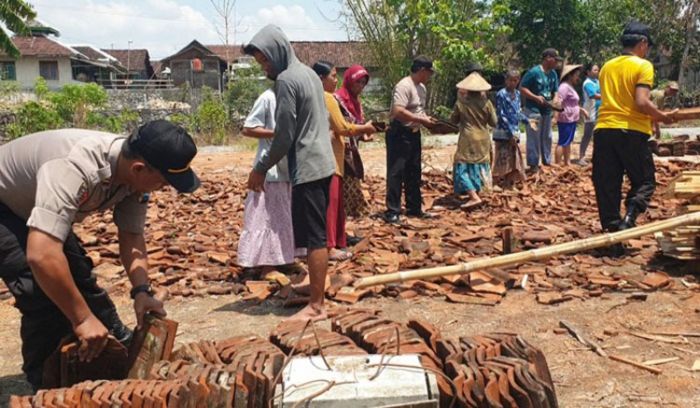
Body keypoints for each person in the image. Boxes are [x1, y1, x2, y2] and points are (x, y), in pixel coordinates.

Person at [0, 120, 200, 389]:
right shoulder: (73, 168)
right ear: (139, 168)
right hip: (4, 205)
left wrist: (141, 291)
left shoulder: (134, 178)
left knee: (80, 280)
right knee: (40, 294)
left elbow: (131, 237)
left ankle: (114, 350)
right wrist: (82, 319)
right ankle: (46, 390)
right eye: (164, 182)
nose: (164, 188)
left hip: (33, 204)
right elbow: (41, 255)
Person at [243, 25, 336, 321]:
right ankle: (316, 289)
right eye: (261, 63)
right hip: (323, 163)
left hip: (307, 166)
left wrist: (259, 169)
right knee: (315, 234)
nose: (265, 67)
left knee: (314, 238)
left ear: (278, 52)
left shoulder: (286, 80)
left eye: (265, 60)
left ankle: (317, 305)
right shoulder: (309, 74)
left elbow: (284, 137)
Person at [593, 20, 676, 256]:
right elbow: (641, 101)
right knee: (645, 181)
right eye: (647, 45)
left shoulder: (607, 66)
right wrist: (662, 117)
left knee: (607, 185)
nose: (647, 50)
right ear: (642, 43)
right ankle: (628, 222)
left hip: (604, 129)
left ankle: (613, 235)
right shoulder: (643, 65)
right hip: (631, 131)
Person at [312, 60, 376, 261]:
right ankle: (330, 246)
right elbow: (343, 127)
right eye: (332, 76)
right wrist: (365, 128)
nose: (335, 79)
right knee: (332, 205)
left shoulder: (310, 96)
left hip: (321, 156)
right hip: (332, 157)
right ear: (321, 79)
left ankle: (338, 240)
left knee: (334, 204)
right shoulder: (329, 98)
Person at [237, 88, 297, 272]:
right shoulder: (268, 97)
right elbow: (248, 128)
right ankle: (266, 264)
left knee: (284, 215)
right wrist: (278, 135)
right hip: (269, 167)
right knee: (266, 216)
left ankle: (283, 257)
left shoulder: (294, 98)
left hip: (289, 167)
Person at [384, 56, 438, 224]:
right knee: (396, 172)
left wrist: (427, 121)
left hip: (414, 132)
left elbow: (418, 110)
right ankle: (392, 211)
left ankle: (414, 207)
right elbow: (397, 111)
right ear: (422, 70)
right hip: (399, 132)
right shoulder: (404, 85)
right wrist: (421, 119)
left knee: (414, 171)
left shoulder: (421, 88)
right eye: (429, 72)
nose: (429, 76)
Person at [335, 65, 374, 227]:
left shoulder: (356, 102)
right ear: (350, 81)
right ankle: (342, 217)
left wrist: (365, 135)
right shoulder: (338, 100)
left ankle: (350, 215)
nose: (361, 87)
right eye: (358, 82)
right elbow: (340, 126)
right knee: (345, 181)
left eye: (364, 83)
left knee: (353, 179)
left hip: (352, 148)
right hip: (340, 149)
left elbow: (358, 125)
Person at [450, 72, 497, 209]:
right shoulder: (487, 103)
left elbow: (453, 120)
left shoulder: (461, 104)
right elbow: (493, 122)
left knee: (462, 167)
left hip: (468, 137)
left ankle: (473, 196)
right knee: (479, 165)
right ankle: (477, 192)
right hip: (483, 138)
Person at [520, 48, 562, 171]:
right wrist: (535, 97)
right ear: (548, 58)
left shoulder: (553, 73)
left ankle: (547, 161)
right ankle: (533, 163)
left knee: (547, 136)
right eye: (555, 60)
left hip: (547, 110)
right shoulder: (533, 72)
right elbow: (522, 88)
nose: (556, 63)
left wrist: (556, 99)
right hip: (533, 110)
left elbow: (555, 90)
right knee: (534, 136)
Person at [493, 70, 528, 187]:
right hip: (503, 132)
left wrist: (527, 120)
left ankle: (509, 183)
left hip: (515, 130)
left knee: (514, 158)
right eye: (510, 80)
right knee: (502, 157)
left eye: (515, 80)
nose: (513, 83)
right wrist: (510, 132)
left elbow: (518, 112)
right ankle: (496, 183)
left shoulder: (518, 94)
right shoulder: (501, 94)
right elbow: (501, 115)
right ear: (506, 80)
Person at [555, 65, 589, 166]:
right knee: (563, 141)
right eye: (576, 75)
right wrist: (555, 116)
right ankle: (558, 164)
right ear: (570, 76)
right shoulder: (564, 87)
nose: (577, 78)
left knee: (568, 141)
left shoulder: (570, 87)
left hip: (571, 118)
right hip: (566, 118)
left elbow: (572, 103)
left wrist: (581, 110)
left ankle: (567, 162)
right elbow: (558, 101)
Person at [579, 63, 601, 165]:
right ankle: (581, 156)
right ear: (588, 72)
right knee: (587, 134)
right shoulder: (587, 83)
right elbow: (593, 95)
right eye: (595, 70)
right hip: (590, 111)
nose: (597, 71)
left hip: (599, 112)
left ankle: (596, 156)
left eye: (598, 70)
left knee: (598, 135)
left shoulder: (597, 82)